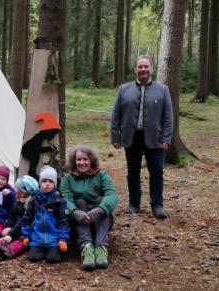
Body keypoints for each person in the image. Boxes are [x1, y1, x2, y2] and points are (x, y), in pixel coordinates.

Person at [110, 55, 174, 219]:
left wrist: (166, 139)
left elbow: (168, 117)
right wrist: (115, 136)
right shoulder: (124, 89)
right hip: (131, 138)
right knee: (132, 171)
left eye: (146, 66)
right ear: (136, 70)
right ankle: (134, 203)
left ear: (151, 69)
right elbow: (116, 115)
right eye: (140, 67)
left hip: (155, 139)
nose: (143, 70)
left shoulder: (162, 89)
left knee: (157, 171)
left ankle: (157, 205)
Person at [60, 145, 119, 270]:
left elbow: (112, 194)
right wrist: (76, 212)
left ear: (91, 160)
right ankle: (86, 246)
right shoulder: (67, 178)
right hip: (77, 221)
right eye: (79, 160)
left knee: (100, 200)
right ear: (74, 161)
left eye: (85, 159)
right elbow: (65, 199)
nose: (82, 163)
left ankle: (101, 246)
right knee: (80, 202)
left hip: (100, 220)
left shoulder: (101, 175)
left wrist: (98, 210)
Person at [0, 175, 36, 260]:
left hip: (28, 230)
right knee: (4, 233)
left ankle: (8, 250)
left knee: (21, 240)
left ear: (24, 192)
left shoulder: (31, 204)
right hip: (16, 227)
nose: (15, 190)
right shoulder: (17, 199)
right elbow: (11, 215)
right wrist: (8, 226)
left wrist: (11, 234)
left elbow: (24, 221)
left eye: (17, 188)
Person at [21, 166, 69, 264]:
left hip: (53, 239)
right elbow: (27, 219)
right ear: (40, 183)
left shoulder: (59, 201)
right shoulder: (34, 200)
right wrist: (26, 236)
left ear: (55, 184)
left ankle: (51, 250)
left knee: (53, 258)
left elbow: (63, 222)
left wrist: (63, 239)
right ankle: (39, 249)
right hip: (37, 238)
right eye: (44, 181)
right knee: (33, 257)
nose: (47, 184)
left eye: (51, 181)